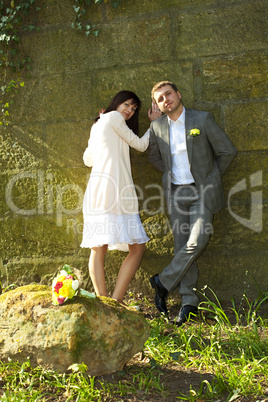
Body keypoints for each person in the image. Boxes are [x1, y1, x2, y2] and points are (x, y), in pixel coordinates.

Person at [147, 80, 237, 326]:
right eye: (160, 99)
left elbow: (228, 151)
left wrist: (211, 178)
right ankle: (189, 303)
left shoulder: (202, 119)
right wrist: (170, 173)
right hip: (176, 195)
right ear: (158, 105)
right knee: (181, 247)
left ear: (178, 93)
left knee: (198, 240)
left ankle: (162, 282)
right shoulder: (156, 127)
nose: (166, 100)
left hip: (201, 193)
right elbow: (153, 155)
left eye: (168, 94)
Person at [81, 90, 150, 304]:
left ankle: (104, 302)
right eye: (127, 104)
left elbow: (87, 159)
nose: (129, 111)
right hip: (115, 190)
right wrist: (155, 124)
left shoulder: (100, 122)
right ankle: (116, 300)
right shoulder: (113, 117)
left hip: (99, 188)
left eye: (133, 108)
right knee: (137, 247)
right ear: (117, 103)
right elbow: (141, 144)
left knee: (98, 247)